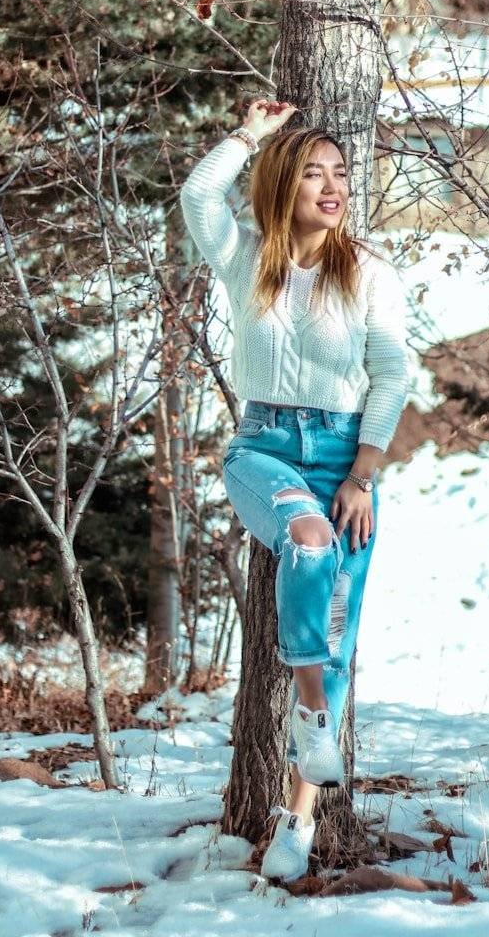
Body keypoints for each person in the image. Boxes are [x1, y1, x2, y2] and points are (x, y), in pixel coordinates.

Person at [179, 99, 410, 882]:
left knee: (336, 639)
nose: (332, 185)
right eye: (313, 172)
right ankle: (311, 712)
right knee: (306, 540)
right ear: (282, 183)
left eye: (341, 172)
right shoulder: (246, 257)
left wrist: (363, 474)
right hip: (264, 451)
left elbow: (392, 373)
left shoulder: (371, 273)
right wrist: (249, 134)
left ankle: (296, 821)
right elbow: (197, 195)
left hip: (346, 459)